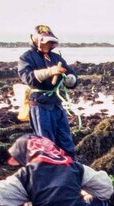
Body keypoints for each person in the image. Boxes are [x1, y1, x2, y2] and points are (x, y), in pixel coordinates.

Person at [17, 25, 77, 156]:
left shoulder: (56, 58)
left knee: (66, 140)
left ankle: (70, 169)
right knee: (46, 143)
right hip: (40, 106)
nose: (48, 45)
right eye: (45, 42)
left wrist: (70, 80)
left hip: (56, 105)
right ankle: (49, 172)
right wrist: (50, 72)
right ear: (36, 40)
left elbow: (72, 75)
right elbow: (28, 78)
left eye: (50, 42)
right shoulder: (26, 58)